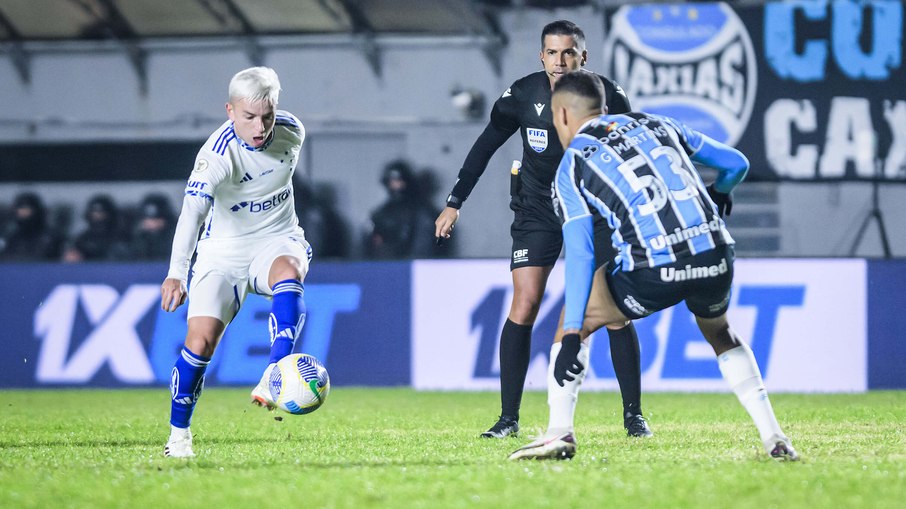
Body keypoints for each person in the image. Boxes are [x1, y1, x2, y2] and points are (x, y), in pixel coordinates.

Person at [508, 71, 799, 461]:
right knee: (721, 333)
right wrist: (720, 192)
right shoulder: (657, 123)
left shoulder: (572, 164)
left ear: (561, 116)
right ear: (605, 108)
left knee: (576, 312)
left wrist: (575, 333)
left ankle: (560, 432)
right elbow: (736, 163)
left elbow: (580, 254)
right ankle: (774, 438)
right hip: (715, 255)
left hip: (655, 267)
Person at [434, 20, 651, 438]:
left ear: (583, 57)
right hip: (537, 211)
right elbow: (485, 144)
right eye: (552, 52)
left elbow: (633, 152)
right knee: (526, 301)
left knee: (615, 313)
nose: (560, 61)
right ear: (541, 56)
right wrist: (454, 202)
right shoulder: (522, 94)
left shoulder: (610, 97)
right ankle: (508, 419)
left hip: (594, 210)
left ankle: (634, 416)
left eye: (569, 52)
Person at [160, 67, 312, 458]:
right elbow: (191, 215)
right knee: (200, 342)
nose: (260, 127)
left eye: (267, 115)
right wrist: (177, 272)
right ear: (230, 111)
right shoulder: (215, 156)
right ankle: (179, 436)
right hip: (222, 251)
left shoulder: (293, 131)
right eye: (248, 117)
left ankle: (275, 371)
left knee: (288, 272)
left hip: (277, 238)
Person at [365, 160, 441, 259]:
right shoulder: (379, 214)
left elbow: (427, 246)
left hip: (416, 265)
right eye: (392, 182)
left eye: (400, 181)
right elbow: (370, 245)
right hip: (385, 265)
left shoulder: (423, 214)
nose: (397, 186)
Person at [62, 194, 130, 262]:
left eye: (102, 213)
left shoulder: (121, 237)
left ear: (110, 214)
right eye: (95, 213)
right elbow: (71, 257)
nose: (98, 216)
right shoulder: (82, 239)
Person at [0, 192, 63, 261]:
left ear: (37, 211)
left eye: (26, 210)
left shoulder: (52, 238)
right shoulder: (10, 239)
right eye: (20, 210)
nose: (23, 214)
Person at [128, 193, 177, 260]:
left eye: (157, 220)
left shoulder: (174, 239)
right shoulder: (134, 240)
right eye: (148, 220)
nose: (152, 224)